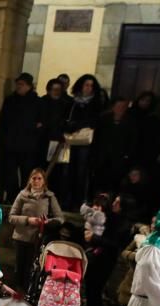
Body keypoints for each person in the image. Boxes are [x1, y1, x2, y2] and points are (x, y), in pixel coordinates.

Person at [8, 168, 63, 291]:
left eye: (39, 178)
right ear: (29, 180)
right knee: (19, 268)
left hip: (38, 239)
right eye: (34, 178)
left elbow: (60, 218)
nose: (36, 181)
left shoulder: (49, 197)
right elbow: (11, 217)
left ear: (44, 181)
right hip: (21, 238)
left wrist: (47, 222)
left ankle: (29, 295)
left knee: (32, 269)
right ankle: (16, 294)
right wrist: (28, 220)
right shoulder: (22, 195)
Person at [0, 72, 40, 203]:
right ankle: (12, 196)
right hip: (11, 144)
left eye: (22, 84)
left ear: (29, 86)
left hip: (28, 145)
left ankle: (25, 196)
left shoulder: (36, 102)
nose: (19, 87)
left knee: (27, 172)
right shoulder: (10, 100)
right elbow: (4, 122)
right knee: (10, 173)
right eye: (18, 84)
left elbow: (40, 123)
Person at [63, 74, 107, 209]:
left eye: (91, 86)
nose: (89, 88)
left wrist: (78, 125)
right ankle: (67, 200)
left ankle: (79, 202)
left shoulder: (96, 103)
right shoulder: (73, 102)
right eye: (86, 85)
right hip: (71, 140)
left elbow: (95, 121)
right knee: (68, 171)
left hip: (86, 142)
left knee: (81, 172)